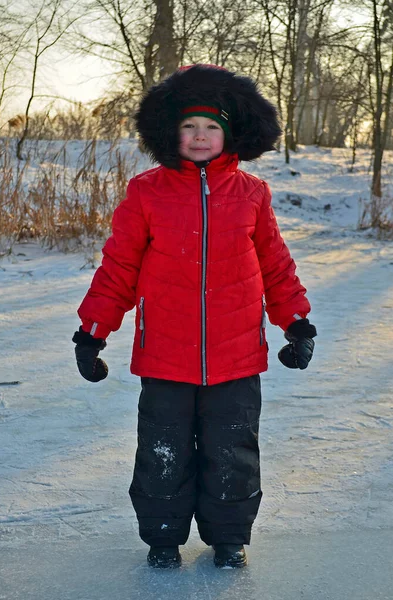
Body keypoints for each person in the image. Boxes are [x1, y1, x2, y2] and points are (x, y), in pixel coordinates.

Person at [72, 64, 317, 569]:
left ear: (230, 133)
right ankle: (162, 537)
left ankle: (229, 537)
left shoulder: (252, 193)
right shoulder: (147, 192)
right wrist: (92, 332)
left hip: (236, 357)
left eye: (211, 127)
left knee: (234, 452)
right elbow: (119, 265)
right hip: (164, 355)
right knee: (163, 451)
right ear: (171, 132)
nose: (200, 136)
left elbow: (274, 264)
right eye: (190, 126)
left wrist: (295, 322)